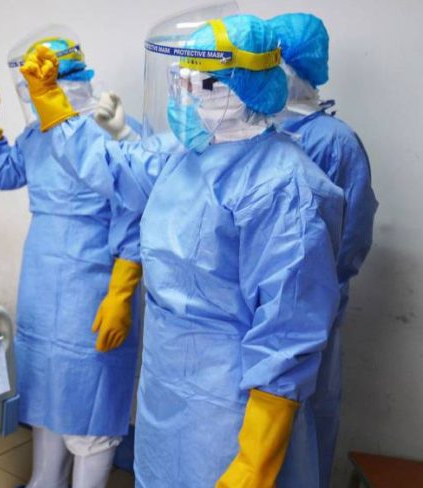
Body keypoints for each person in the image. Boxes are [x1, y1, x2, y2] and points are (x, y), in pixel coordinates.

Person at [20, 7, 345, 487]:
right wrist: (51, 103)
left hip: (230, 401)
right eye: (182, 81)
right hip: (167, 385)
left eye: (202, 84)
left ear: (247, 89)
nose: (185, 96)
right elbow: (111, 165)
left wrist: (255, 461)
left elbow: (287, 329)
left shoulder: (282, 185)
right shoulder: (183, 157)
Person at [0, 26, 143, 488]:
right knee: (46, 390)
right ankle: (44, 479)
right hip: (42, 278)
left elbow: (135, 209)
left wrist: (121, 292)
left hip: (95, 280)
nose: (31, 94)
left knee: (90, 397)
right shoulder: (37, 133)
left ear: (58, 79)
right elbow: (6, 174)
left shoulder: (113, 126)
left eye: (38, 83)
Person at [269, 13, 378, 487]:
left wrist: (314, 289)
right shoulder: (254, 133)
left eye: (274, 62)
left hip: (311, 307)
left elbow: (352, 236)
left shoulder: (335, 142)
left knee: (305, 412)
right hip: (255, 306)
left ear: (296, 68)